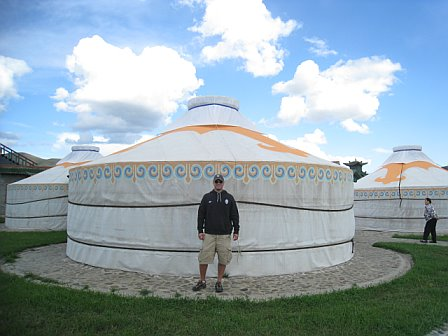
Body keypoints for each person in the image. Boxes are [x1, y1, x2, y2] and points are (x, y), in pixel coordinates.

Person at [192, 173, 239, 293]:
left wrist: (236, 231)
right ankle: (202, 281)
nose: (218, 183)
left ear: (223, 183)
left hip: (224, 235)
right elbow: (201, 215)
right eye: (216, 181)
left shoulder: (230, 198)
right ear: (213, 183)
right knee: (204, 258)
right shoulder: (207, 197)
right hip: (209, 234)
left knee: (223, 259)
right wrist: (200, 230)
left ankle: (219, 281)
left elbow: (234, 215)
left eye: (220, 182)